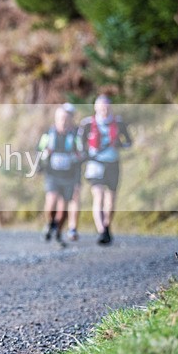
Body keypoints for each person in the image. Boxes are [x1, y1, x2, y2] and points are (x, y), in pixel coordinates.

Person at [77, 95, 132, 245]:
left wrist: (119, 144)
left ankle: (107, 225)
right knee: (98, 196)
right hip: (95, 164)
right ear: (95, 108)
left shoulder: (119, 123)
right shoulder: (87, 124)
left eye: (107, 107)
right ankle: (102, 230)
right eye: (101, 107)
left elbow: (128, 142)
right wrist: (84, 155)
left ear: (110, 108)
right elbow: (79, 143)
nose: (104, 110)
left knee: (111, 200)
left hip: (113, 163)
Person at [37, 106, 82, 247]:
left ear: (70, 120)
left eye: (66, 118)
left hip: (69, 176)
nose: (63, 121)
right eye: (61, 118)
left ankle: (58, 232)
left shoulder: (75, 135)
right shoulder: (48, 134)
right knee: (51, 202)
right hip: (52, 175)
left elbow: (82, 152)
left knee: (63, 209)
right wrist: (43, 158)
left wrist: (74, 158)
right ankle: (50, 223)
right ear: (56, 119)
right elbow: (38, 150)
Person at [62, 102, 82, 241]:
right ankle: (56, 225)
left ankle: (72, 227)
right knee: (59, 199)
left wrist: (77, 157)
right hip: (57, 172)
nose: (67, 117)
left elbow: (83, 149)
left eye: (69, 115)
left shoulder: (78, 132)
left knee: (74, 197)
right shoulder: (53, 131)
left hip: (74, 169)